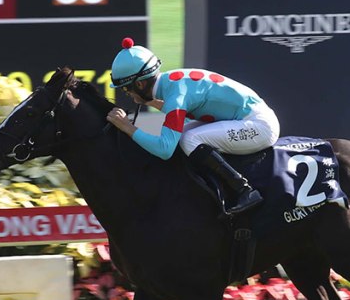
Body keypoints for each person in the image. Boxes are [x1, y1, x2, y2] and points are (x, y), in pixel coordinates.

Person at [105, 37, 280, 217]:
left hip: (260, 126)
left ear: (140, 84)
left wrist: (128, 127)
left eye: (126, 89)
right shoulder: (170, 82)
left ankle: (243, 189)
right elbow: (182, 111)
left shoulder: (175, 96)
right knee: (185, 134)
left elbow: (164, 149)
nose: (128, 95)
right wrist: (153, 104)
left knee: (190, 139)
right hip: (247, 119)